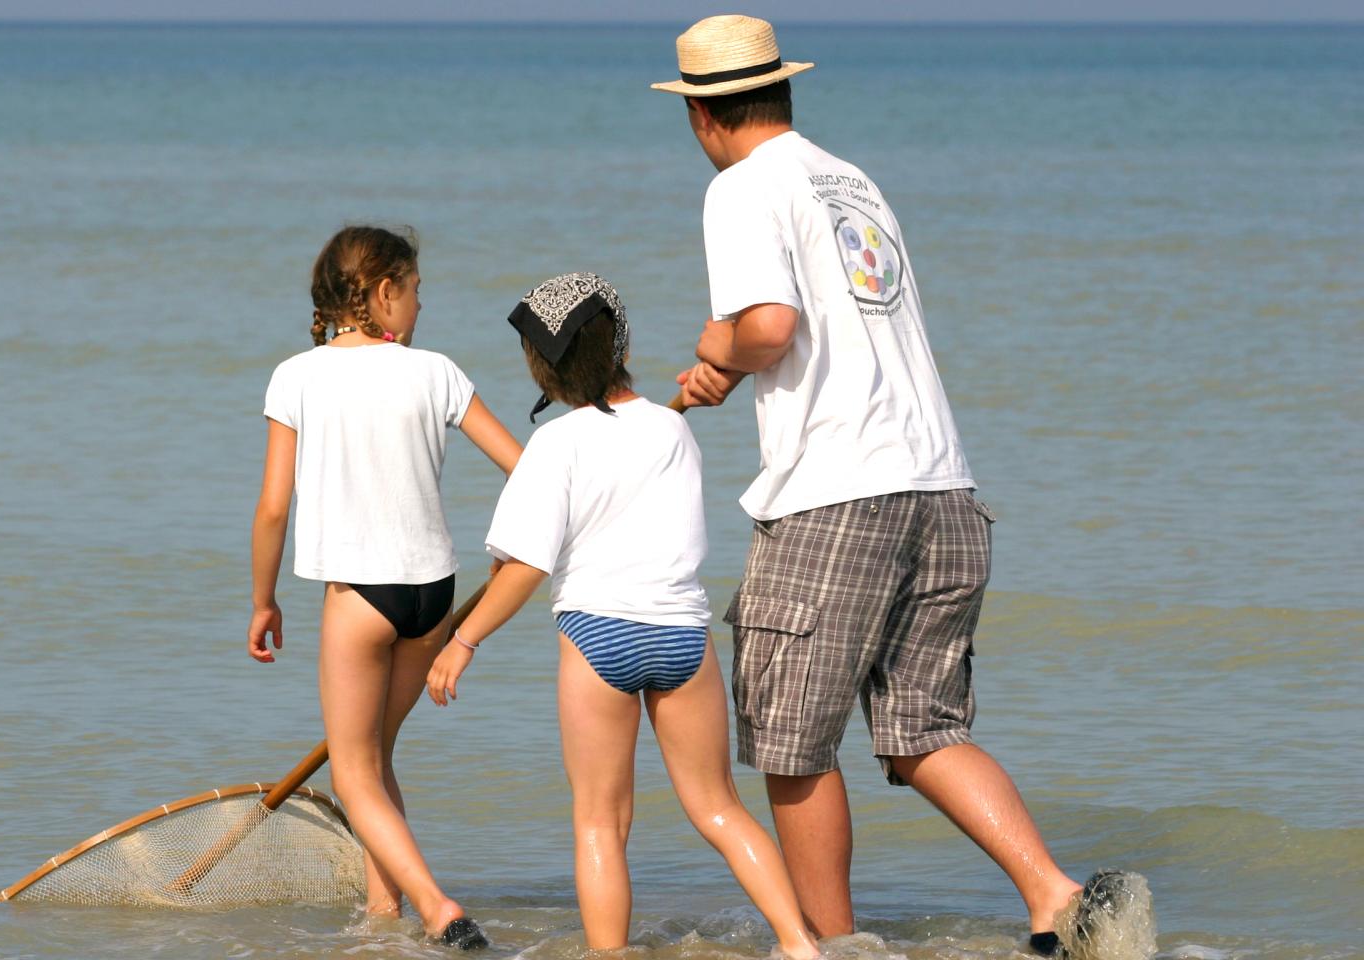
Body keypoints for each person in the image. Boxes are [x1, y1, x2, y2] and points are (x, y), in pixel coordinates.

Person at [655, 16, 1154, 959]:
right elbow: (823, 329)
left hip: (837, 496)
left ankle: (832, 947)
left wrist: (716, 348)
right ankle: (1054, 895)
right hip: (943, 490)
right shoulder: (853, 181)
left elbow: (766, 324)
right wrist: (739, 364)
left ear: (702, 117)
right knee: (921, 730)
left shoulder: (739, 186)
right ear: (784, 93)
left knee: (794, 745)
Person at [424, 273, 819, 960]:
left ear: (543, 368)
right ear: (620, 344)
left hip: (596, 635)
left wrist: (463, 638)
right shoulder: (672, 429)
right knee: (720, 807)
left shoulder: (554, 445)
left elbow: (524, 568)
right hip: (681, 637)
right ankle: (799, 944)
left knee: (601, 823)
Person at [248, 225, 520, 950]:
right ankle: (382, 913)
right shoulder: (436, 372)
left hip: (361, 598)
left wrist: (264, 599)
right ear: (382, 293)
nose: (422, 307)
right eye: (418, 291)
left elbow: (274, 505)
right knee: (373, 760)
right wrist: (514, 549)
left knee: (353, 776)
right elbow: (526, 473)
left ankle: (436, 907)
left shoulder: (295, 376)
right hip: (432, 595)